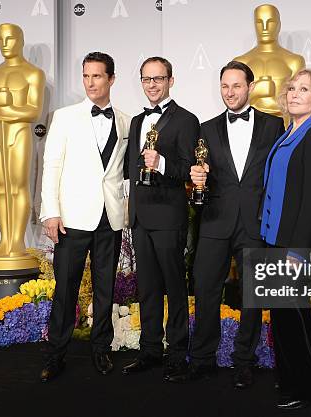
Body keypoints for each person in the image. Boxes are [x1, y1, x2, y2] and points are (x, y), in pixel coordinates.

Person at [186, 61, 284, 388]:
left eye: (236, 86)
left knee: (252, 296)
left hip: (255, 222)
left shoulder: (273, 126)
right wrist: (197, 177)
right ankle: (201, 359)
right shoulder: (207, 128)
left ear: (250, 87)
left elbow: (278, 176)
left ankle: (245, 359)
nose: (230, 92)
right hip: (215, 220)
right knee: (206, 290)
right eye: (224, 86)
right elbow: (201, 172)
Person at [39, 52, 131, 381]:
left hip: (110, 218)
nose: (90, 83)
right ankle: (55, 354)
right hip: (72, 218)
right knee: (65, 289)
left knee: (105, 288)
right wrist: (50, 212)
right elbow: (51, 167)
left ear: (111, 79)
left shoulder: (125, 121)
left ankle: (100, 350)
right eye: (86, 76)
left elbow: (122, 173)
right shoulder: (64, 117)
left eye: (97, 76)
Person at [260, 69, 311, 409]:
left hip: (291, 244)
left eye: (304, 89)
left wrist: (298, 252)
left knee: (294, 318)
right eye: (291, 87)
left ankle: (307, 388)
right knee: (286, 317)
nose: (294, 94)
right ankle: (296, 379)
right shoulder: (289, 132)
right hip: (273, 237)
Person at [122, 57, 199, 381]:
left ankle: (177, 353)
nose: (152, 84)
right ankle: (150, 350)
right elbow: (129, 170)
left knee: (173, 287)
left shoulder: (187, 120)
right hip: (141, 216)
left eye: (158, 78)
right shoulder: (138, 121)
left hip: (169, 215)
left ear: (171, 80)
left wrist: (163, 163)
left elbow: (191, 170)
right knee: (148, 288)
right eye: (147, 79)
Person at [0, 23, 44, 268]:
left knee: (18, 186)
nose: (5, 44)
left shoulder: (32, 73)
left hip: (19, 134)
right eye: (1, 39)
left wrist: (4, 106)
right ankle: (5, 241)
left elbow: (33, 111)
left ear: (20, 40)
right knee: (2, 188)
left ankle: (17, 243)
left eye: (10, 39)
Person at [234, 4, 305, 119]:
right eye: (259, 22)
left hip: (283, 129)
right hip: (248, 129)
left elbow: (300, 102)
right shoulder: (241, 62)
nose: (265, 28)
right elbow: (232, 99)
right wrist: (257, 91)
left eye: (270, 22)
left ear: (279, 25)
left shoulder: (294, 61)